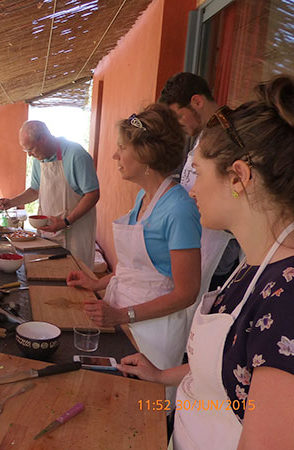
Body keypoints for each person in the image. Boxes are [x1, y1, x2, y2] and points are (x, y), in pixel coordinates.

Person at [119, 75, 294, 449]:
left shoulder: (286, 299)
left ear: (239, 177)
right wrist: (162, 375)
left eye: (197, 172)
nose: (191, 187)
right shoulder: (253, 266)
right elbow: (231, 369)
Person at [66, 103, 201, 379]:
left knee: (143, 407)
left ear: (146, 153)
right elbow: (137, 269)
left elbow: (187, 293)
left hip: (154, 333)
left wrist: (121, 316)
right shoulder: (144, 197)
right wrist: (96, 282)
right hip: (124, 318)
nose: (116, 155)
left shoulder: (179, 209)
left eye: (122, 147)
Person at [160, 72, 240, 301]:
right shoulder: (202, 136)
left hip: (220, 253)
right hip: (196, 242)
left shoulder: (230, 137)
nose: (178, 124)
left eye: (179, 116)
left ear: (197, 101)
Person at [0, 121, 100, 268]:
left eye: (30, 149)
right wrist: (11, 202)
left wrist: (66, 222)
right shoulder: (40, 159)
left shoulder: (76, 154)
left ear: (43, 139)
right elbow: (35, 190)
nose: (30, 155)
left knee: (77, 277)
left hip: (76, 233)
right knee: (51, 272)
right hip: (50, 233)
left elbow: (93, 194)